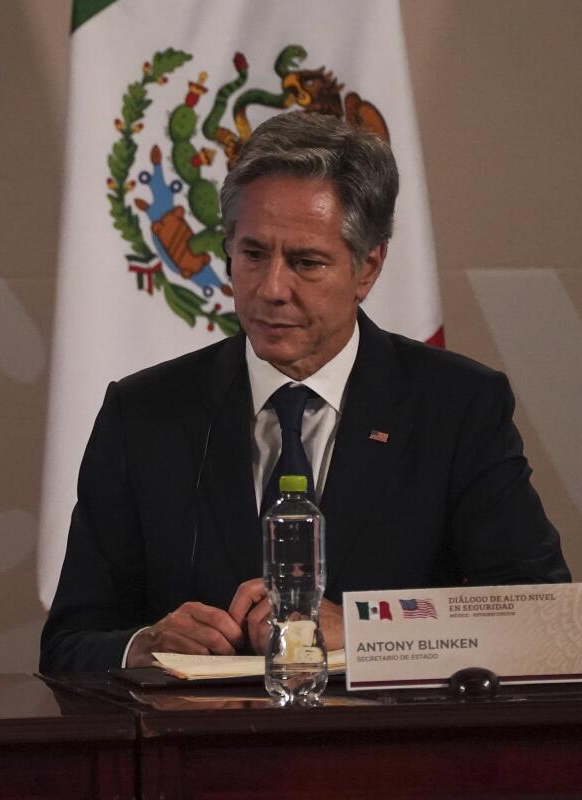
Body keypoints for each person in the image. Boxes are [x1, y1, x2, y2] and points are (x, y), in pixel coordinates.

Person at [40, 112, 570, 674]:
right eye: (252, 255)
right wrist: (142, 645)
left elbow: (543, 617)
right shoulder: (144, 414)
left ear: (367, 267)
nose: (271, 289)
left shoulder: (457, 406)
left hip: (392, 750)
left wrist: (368, 630)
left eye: (306, 262)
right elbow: (69, 643)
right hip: (200, 750)